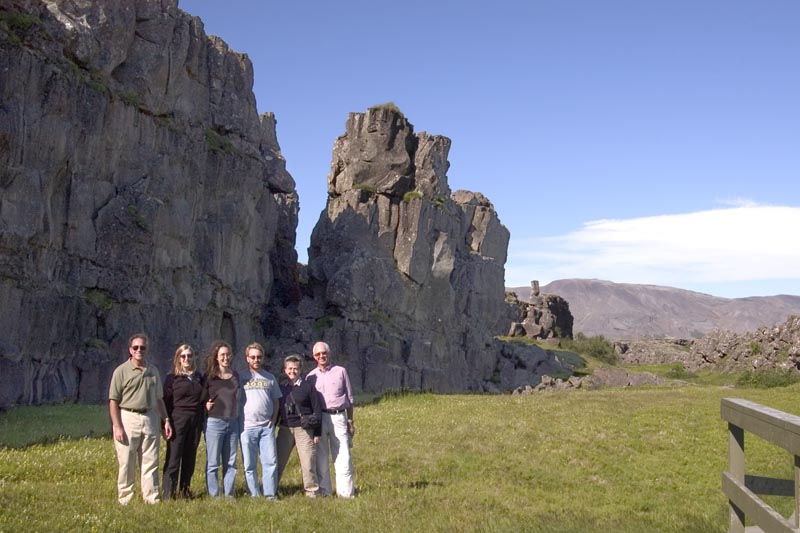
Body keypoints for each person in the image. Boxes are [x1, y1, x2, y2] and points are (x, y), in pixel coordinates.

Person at [108, 333, 173, 505]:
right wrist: (117, 426)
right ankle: (125, 499)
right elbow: (113, 401)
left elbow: (159, 399)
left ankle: (151, 498)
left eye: (142, 347)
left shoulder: (153, 371)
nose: (139, 350)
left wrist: (165, 420)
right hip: (128, 417)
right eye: (135, 347)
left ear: (147, 349)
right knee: (126, 462)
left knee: (151, 461)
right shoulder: (121, 371)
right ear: (130, 350)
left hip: (150, 417)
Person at [307, 341, 355, 498]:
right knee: (321, 458)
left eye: (324, 353)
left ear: (328, 353)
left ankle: (345, 494)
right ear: (314, 357)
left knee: (343, 456)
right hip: (320, 419)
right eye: (318, 354)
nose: (321, 356)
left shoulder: (340, 371)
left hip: (339, 416)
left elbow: (349, 399)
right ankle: (325, 492)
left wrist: (350, 421)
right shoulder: (310, 377)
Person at [162, 344, 204, 500]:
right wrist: (165, 423)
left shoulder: (199, 377)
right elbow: (165, 401)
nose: (187, 359)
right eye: (183, 356)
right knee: (174, 458)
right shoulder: (172, 378)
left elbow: (203, 398)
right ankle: (168, 493)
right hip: (177, 420)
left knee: (190, 458)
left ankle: (185, 491)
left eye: (190, 356)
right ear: (178, 358)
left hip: (195, 421)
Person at [240, 342, 282, 499]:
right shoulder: (240, 377)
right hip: (246, 427)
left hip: (266, 427)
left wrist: (274, 419)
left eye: (259, 357)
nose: (256, 360)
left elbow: (276, 401)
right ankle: (254, 495)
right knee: (249, 464)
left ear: (263, 358)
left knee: (270, 462)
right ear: (247, 358)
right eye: (253, 357)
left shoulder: (270, 378)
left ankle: (270, 495)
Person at [276, 354, 322, 498]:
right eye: (289, 368)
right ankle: (270, 488)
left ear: (300, 370)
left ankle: (311, 491)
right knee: (277, 460)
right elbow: (277, 409)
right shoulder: (281, 388)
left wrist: (317, 433)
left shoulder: (308, 387)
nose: (292, 371)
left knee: (308, 462)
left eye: (295, 368)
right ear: (285, 370)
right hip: (285, 429)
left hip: (304, 430)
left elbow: (317, 410)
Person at [202, 340, 240, 498]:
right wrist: (205, 405)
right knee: (213, 462)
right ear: (216, 357)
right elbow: (201, 397)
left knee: (231, 462)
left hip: (232, 421)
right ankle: (214, 495)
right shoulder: (209, 377)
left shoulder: (235, 375)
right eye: (222, 355)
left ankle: (229, 494)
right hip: (214, 422)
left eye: (228, 354)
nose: (225, 357)